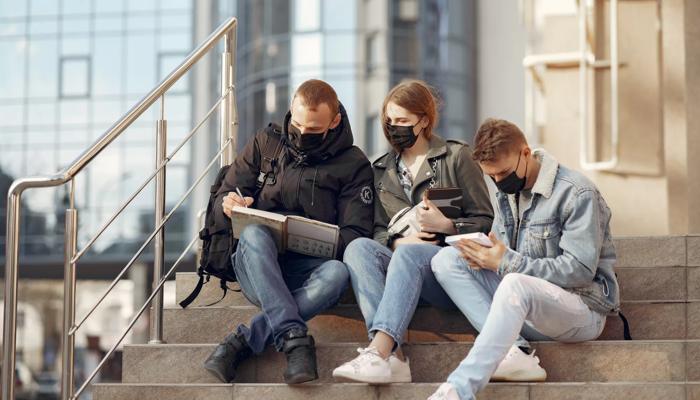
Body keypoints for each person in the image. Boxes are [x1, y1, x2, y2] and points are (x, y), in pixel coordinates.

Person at [427, 118, 621, 400]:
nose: (498, 182)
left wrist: (504, 262)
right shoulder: (506, 193)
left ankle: (457, 390)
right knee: (445, 260)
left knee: (515, 281)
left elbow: (579, 271)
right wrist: (483, 255)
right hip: (524, 308)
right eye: (490, 176)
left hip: (580, 310)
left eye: (503, 173)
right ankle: (514, 350)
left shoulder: (577, 193)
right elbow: (503, 252)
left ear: (526, 153)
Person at [202, 79, 374, 385]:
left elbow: (356, 235)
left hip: (309, 267)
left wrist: (307, 234)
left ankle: (242, 340)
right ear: (290, 111)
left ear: (334, 122)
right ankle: (293, 338)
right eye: (297, 124)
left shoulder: (354, 164)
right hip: (257, 264)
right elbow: (219, 203)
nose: (302, 135)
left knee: (337, 274)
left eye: (313, 130)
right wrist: (230, 205)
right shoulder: (265, 142)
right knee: (254, 234)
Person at [332, 80, 493, 383]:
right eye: (390, 121)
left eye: (403, 121)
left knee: (411, 254)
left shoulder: (457, 157)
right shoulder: (379, 170)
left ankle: (379, 352)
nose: (394, 128)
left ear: (424, 120)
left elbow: (485, 220)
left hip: (443, 274)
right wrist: (395, 242)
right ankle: (395, 357)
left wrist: (448, 227)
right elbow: (376, 229)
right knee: (358, 248)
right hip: (399, 269)